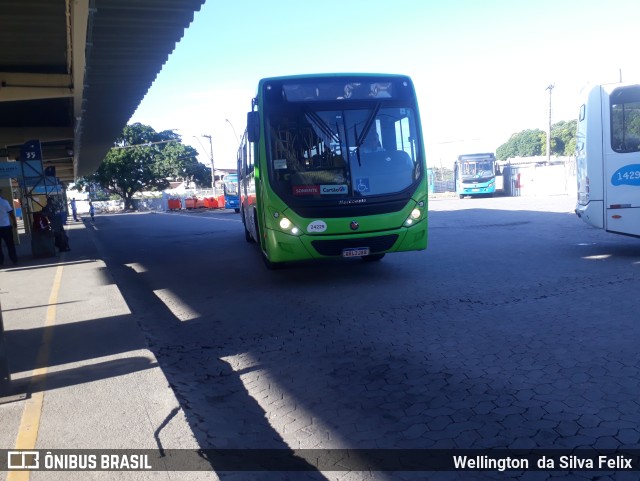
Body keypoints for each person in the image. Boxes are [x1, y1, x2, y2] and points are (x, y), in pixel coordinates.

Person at [0, 191, 18, 266]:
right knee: (10, 244)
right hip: (6, 227)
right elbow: (11, 213)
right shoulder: (4, 202)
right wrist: (14, 222)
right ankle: (14, 260)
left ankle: (1, 262)